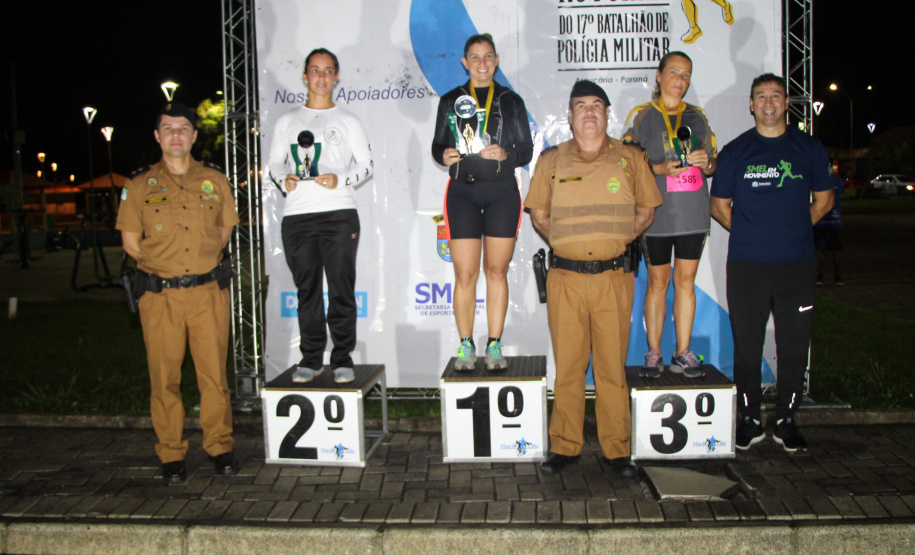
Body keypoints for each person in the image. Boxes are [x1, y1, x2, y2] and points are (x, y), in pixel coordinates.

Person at [526, 80, 661, 475]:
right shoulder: (551, 160)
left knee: (610, 368)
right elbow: (539, 215)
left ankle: (616, 450)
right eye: (580, 106)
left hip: (613, 279)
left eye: (596, 105)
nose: (588, 112)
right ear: (569, 116)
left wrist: (617, 241)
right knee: (568, 366)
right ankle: (565, 447)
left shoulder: (630, 158)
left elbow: (648, 210)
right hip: (566, 279)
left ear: (606, 114)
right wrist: (568, 242)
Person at [116, 101, 240, 485]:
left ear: (193, 135)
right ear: (157, 136)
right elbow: (131, 244)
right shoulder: (138, 186)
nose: (175, 134)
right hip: (161, 297)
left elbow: (223, 230)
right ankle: (171, 453)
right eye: (168, 128)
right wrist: (166, 269)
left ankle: (219, 446)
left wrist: (198, 264)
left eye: (183, 127)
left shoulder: (215, 181)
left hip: (207, 293)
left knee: (214, 377)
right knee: (164, 378)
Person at [710, 73, 834, 453]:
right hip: (747, 264)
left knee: (793, 345)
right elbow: (718, 207)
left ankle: (786, 419)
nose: (768, 103)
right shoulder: (736, 151)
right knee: (747, 347)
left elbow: (824, 201)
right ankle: (749, 420)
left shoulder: (809, 148)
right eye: (761, 96)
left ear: (785, 103)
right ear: (751, 105)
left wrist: (793, 228)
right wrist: (752, 232)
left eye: (776, 96)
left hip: (796, 264)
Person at [267, 48, 373, 384]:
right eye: (315, 70)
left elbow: (366, 165)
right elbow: (274, 164)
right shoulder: (287, 121)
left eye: (328, 71)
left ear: (337, 76)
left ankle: (342, 357)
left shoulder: (348, 120)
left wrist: (339, 179)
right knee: (307, 289)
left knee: (341, 287)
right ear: (304, 76)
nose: (322, 77)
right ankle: (311, 358)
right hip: (298, 215)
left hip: (339, 214)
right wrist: (284, 179)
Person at [431, 33, 533, 371]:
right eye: (475, 57)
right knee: (465, 274)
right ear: (465, 62)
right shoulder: (450, 100)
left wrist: (507, 153)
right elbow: (437, 146)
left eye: (488, 56)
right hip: (463, 191)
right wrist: (443, 154)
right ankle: (465, 345)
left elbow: (527, 150)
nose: (482, 63)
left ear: (497, 59)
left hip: (503, 191)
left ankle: (494, 345)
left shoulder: (511, 100)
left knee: (496, 271)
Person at [621, 51, 717, 380]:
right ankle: (654, 353)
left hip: (692, 213)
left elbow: (713, 161)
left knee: (685, 282)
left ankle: (683, 352)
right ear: (659, 75)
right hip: (657, 213)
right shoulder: (642, 116)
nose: (680, 80)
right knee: (658, 283)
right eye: (674, 72)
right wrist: (658, 168)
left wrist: (708, 163)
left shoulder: (698, 117)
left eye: (686, 74)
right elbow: (626, 163)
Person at [815, 176, 845, 285]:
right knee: (837, 250)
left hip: (821, 220)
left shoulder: (817, 181)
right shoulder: (838, 182)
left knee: (820, 250)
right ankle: (838, 277)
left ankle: (820, 277)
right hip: (835, 221)